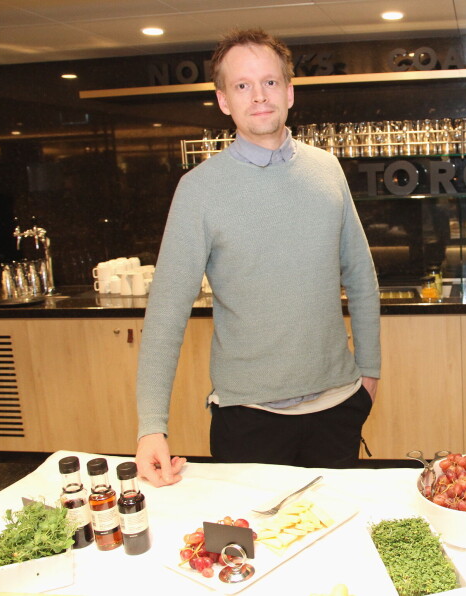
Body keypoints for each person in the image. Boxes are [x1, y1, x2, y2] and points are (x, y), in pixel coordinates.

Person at [135, 28, 381, 487]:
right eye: (242, 85)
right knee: (252, 553)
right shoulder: (199, 190)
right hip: (248, 420)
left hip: (338, 410)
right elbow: (166, 311)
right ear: (224, 100)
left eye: (269, 82)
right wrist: (152, 424)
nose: (259, 96)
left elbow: (362, 277)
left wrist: (368, 374)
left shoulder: (327, 169)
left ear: (289, 92)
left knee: (338, 546)